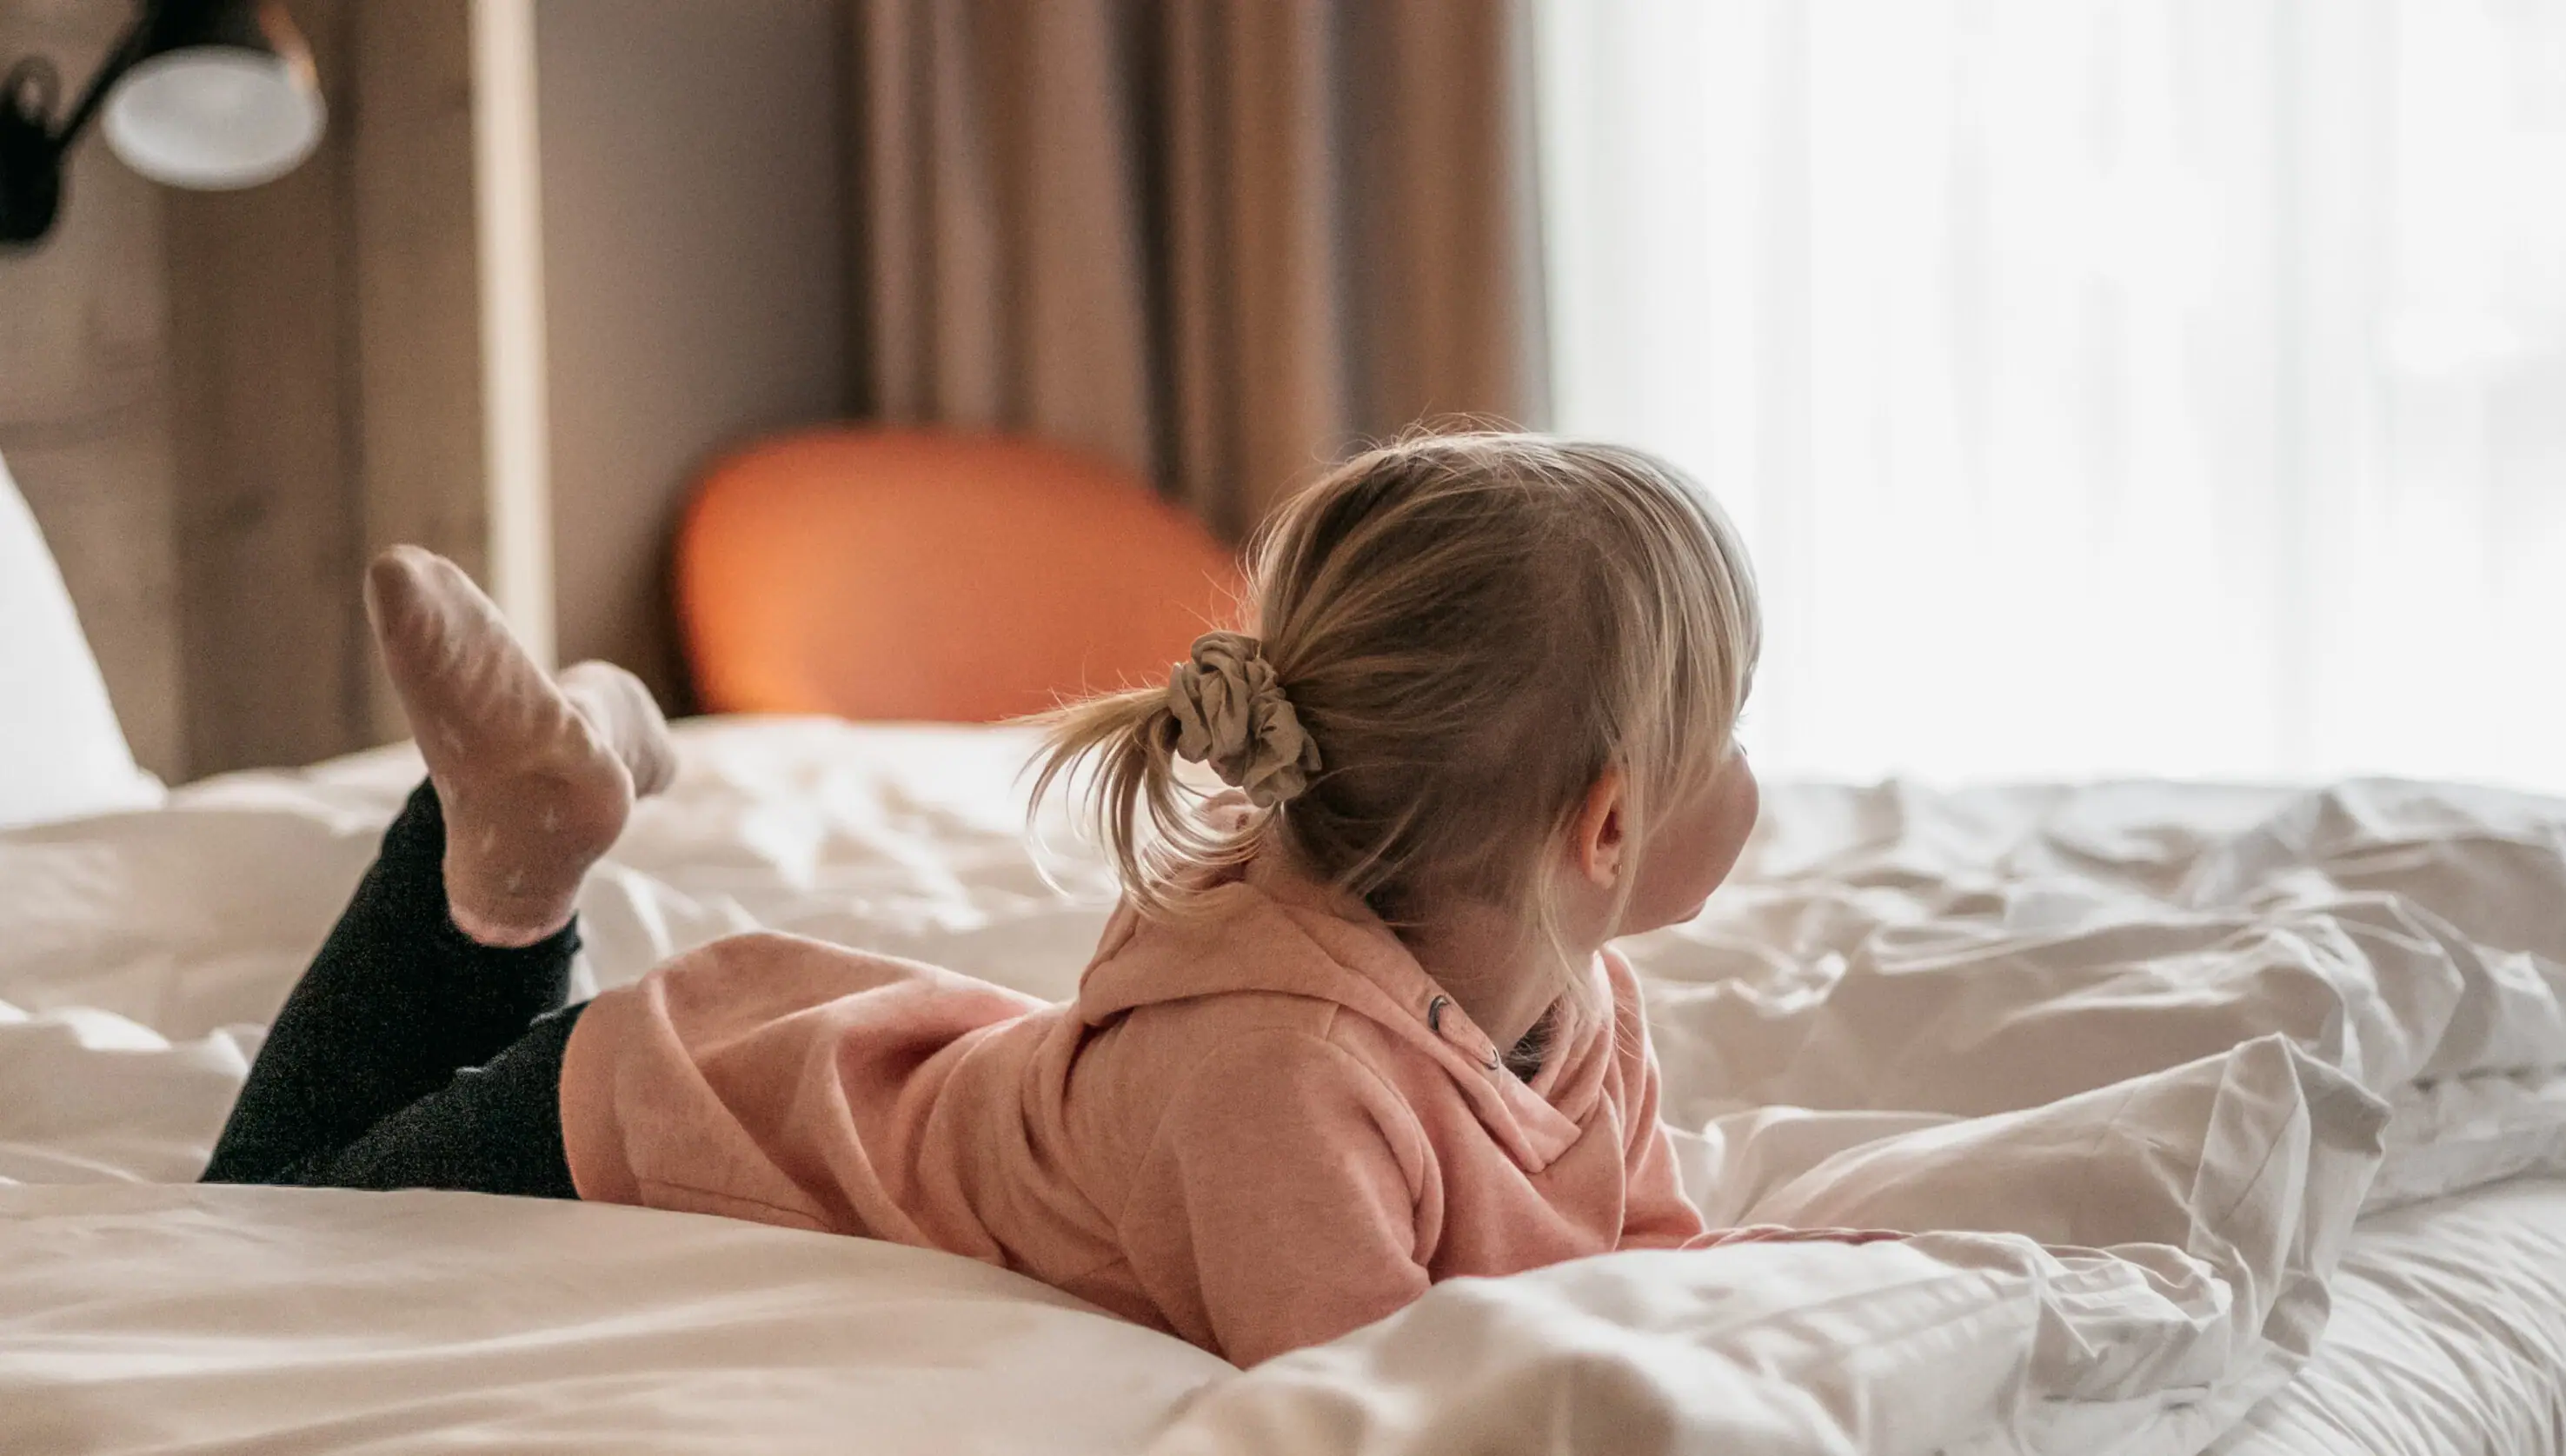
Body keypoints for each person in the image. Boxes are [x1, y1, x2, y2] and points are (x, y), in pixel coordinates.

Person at [203, 432, 1891, 1370]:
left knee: (346, 1142)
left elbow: (1642, 1262)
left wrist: (1850, 1298)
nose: (1754, 764)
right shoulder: (1279, 1079)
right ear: (1606, 826)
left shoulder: (1580, 1009)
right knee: (270, 1205)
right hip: (665, 1116)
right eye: (1728, 731)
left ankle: (526, 837)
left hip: (813, 1051)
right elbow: (1373, 1392)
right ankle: (505, 835)